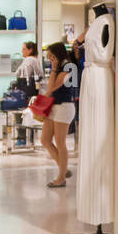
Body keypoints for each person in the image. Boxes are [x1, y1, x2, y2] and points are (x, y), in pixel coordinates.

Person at [41, 41, 77, 188]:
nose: (49, 57)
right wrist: (54, 69)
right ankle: (64, 168)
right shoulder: (56, 66)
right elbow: (51, 89)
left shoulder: (68, 65)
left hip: (64, 106)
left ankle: (61, 177)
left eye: (50, 55)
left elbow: (52, 88)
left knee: (60, 142)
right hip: (54, 107)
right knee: (45, 140)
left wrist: (55, 69)